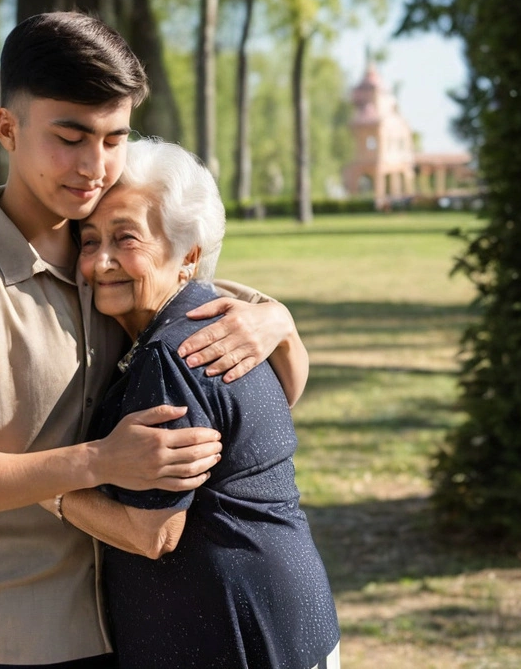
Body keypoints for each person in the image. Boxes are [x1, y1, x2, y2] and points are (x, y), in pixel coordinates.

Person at [0, 12, 309, 668]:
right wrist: (98, 462)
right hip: (17, 638)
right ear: (8, 128)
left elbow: (208, 306)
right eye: (71, 136)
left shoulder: (104, 262)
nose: (95, 165)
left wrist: (275, 319)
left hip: (135, 624)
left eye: (114, 139)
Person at [43, 138, 341, 669]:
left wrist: (42, 486)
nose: (102, 261)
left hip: (232, 638)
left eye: (125, 237)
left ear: (190, 255)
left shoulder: (173, 352)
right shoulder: (221, 316)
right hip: (289, 620)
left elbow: (150, 532)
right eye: (90, 241)